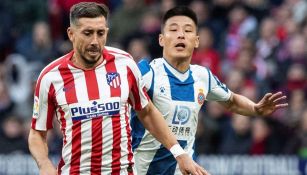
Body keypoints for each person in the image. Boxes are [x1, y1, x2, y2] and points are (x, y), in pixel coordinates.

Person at [27, 2, 209, 175]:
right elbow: (37, 133)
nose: (95, 41)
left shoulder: (125, 64)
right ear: (71, 33)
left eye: (100, 33)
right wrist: (44, 165)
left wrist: (179, 153)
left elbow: (146, 112)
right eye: (87, 33)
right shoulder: (51, 77)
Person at [131, 6, 288, 175]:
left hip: (183, 169)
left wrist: (255, 109)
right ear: (161, 39)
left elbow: (232, 101)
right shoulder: (146, 73)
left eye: (188, 30)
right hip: (142, 170)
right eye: (173, 29)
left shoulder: (202, 76)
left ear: (197, 40)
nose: (181, 35)